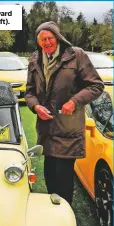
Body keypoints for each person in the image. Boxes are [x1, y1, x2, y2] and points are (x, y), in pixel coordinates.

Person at [25, 21, 104, 205]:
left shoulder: (76, 55)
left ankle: (66, 219)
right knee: (50, 176)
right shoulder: (35, 59)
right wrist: (36, 106)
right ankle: (55, 217)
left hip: (67, 129)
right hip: (46, 129)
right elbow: (29, 92)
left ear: (58, 37)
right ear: (38, 42)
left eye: (50, 38)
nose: (47, 42)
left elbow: (96, 85)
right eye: (42, 39)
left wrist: (74, 101)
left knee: (63, 180)